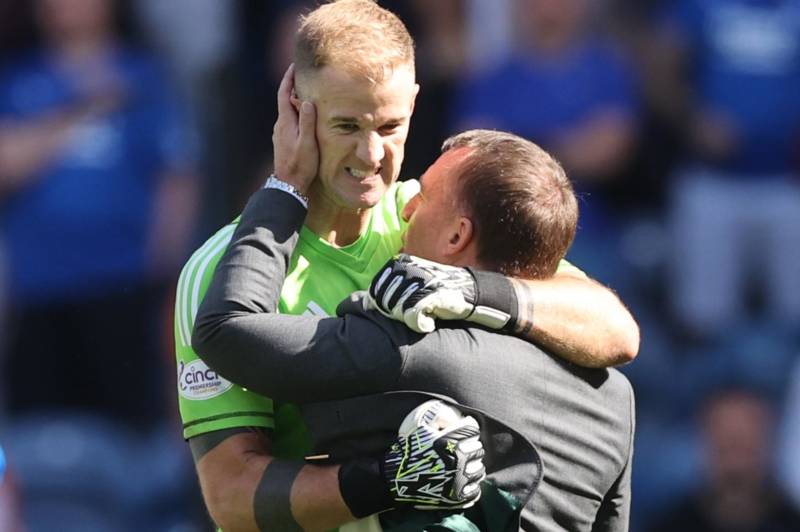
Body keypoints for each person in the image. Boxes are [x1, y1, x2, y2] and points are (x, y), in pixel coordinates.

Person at [175, 1, 639, 530]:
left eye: (391, 125)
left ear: (415, 104)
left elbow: (612, 326)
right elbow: (230, 497)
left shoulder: (433, 218)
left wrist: (471, 290)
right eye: (347, 125)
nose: (372, 154)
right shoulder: (224, 269)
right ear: (297, 113)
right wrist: (384, 479)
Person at [0, 0, 198, 428]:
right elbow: (7, 162)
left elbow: (176, 179)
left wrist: (164, 276)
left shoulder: (145, 76)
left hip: (124, 287)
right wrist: (85, 108)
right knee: (40, 435)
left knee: (129, 432)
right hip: (40, 289)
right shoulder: (17, 78)